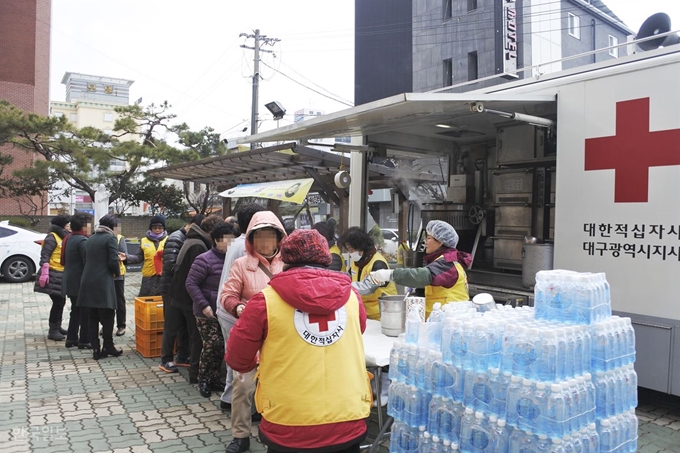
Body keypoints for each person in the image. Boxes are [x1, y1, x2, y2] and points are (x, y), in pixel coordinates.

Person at [226, 229, 371, 453]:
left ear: (285, 258)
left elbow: (237, 358)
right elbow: (359, 329)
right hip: (347, 417)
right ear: (325, 258)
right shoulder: (352, 297)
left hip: (288, 422)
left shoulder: (264, 301)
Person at [220, 211, 287, 453]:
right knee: (243, 385)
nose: (265, 241)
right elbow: (226, 296)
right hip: (251, 335)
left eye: (270, 235)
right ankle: (240, 435)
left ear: (280, 237)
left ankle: (279, 430)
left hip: (282, 337)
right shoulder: (241, 265)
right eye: (259, 236)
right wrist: (239, 308)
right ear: (251, 239)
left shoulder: (289, 263)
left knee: (282, 385)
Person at [215, 203, 265, 411]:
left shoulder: (237, 242)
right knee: (245, 361)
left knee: (233, 357)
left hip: (225, 307)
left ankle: (228, 398)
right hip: (237, 309)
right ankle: (247, 408)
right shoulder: (248, 246)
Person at [369, 220, 472, 319]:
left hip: (449, 321)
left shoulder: (446, 262)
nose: (425, 241)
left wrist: (390, 274)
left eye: (428, 238)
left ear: (440, 242)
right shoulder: (442, 260)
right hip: (440, 320)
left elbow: (422, 276)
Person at [185, 221, 240, 398]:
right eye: (228, 240)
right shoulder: (204, 259)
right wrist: (204, 305)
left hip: (225, 310)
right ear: (217, 240)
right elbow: (191, 284)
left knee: (222, 346)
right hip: (206, 311)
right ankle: (204, 379)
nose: (231, 244)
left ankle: (215, 378)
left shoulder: (233, 260)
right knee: (212, 345)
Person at [171, 214, 223, 383]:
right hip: (192, 300)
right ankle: (197, 375)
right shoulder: (199, 246)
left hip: (182, 296)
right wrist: (203, 304)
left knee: (192, 336)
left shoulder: (192, 240)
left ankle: (195, 370)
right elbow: (192, 280)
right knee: (199, 340)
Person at [158, 214, 203, 374]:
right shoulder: (176, 237)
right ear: (192, 225)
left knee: (183, 325)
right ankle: (166, 359)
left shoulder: (186, 237)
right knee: (172, 324)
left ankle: (182, 357)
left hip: (180, 288)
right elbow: (171, 263)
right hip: (171, 287)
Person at [78, 214, 122, 360]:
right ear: (112, 227)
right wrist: (117, 273)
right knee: (108, 314)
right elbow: (113, 261)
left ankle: (96, 348)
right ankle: (108, 346)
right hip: (103, 281)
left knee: (92, 315)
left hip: (87, 280)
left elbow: (85, 260)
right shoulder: (110, 238)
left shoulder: (90, 239)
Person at [338, 226, 397, 320]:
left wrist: (342, 288)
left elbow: (368, 288)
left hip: (380, 315)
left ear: (360, 246)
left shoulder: (378, 264)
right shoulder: (357, 262)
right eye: (348, 250)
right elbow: (347, 277)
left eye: (351, 249)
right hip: (364, 313)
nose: (350, 253)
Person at [35, 214, 71, 341]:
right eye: (67, 224)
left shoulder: (63, 236)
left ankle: (57, 327)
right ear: (62, 225)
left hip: (61, 273)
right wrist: (45, 272)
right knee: (58, 302)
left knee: (60, 302)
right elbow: (45, 255)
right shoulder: (52, 237)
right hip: (53, 273)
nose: (69, 226)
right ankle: (53, 330)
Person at [61, 212, 92, 349]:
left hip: (69, 279)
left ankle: (72, 338)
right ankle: (84, 340)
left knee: (76, 310)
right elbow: (87, 263)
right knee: (85, 311)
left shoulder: (68, 238)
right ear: (84, 226)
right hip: (80, 281)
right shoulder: (82, 241)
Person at [123, 215, 167, 297]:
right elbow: (139, 257)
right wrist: (127, 257)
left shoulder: (169, 240)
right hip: (148, 278)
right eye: (155, 228)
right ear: (151, 228)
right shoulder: (144, 241)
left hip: (163, 278)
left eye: (160, 228)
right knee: (146, 300)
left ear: (164, 228)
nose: (157, 230)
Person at [112, 218, 128, 337]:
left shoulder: (119, 238)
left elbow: (123, 255)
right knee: (107, 301)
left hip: (118, 275)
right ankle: (106, 325)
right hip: (106, 275)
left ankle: (121, 325)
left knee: (119, 300)